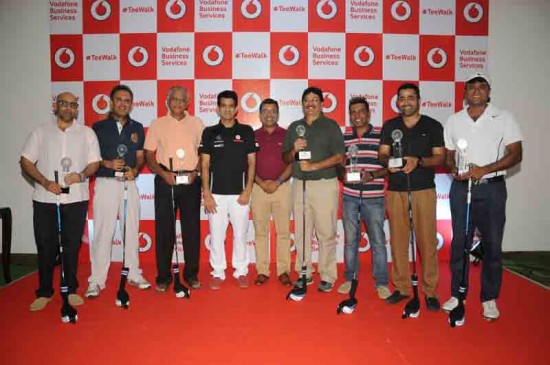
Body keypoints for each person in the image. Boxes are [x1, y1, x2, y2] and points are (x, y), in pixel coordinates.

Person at [443, 73, 523, 320]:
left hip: (491, 188)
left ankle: (489, 298)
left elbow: (516, 154)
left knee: (492, 245)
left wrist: (484, 169)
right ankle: (458, 293)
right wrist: (453, 169)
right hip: (461, 188)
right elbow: (448, 154)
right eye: (471, 88)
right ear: (465, 92)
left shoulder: (504, 117)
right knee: (459, 243)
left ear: (489, 92)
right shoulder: (454, 120)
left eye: (481, 87)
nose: (476, 91)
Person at [20, 92, 101, 311]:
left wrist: (81, 175)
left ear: (77, 109)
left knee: (71, 246)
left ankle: (71, 288)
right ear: (56, 106)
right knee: (46, 245)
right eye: (64, 104)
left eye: (73, 105)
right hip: (45, 199)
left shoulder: (87, 133)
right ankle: (45, 291)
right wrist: (46, 182)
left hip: (76, 198)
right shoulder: (40, 132)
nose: (68, 108)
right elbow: (26, 161)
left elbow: (95, 163)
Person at [379, 83, 445, 310]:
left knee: (427, 241)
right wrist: (388, 163)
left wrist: (419, 161)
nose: (405, 102)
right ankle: (402, 287)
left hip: (423, 189)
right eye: (402, 98)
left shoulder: (432, 125)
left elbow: (440, 158)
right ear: (397, 102)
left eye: (410, 98)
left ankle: (430, 291)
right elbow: (382, 155)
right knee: (398, 240)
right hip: (396, 189)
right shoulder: (390, 126)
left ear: (419, 101)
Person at [85, 84, 150, 298]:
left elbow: (140, 156)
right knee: (103, 232)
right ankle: (96, 280)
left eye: (127, 100)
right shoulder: (98, 127)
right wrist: (108, 163)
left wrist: (135, 170)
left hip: (129, 184)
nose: (123, 103)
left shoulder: (138, 127)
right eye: (119, 99)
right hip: (105, 182)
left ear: (131, 104)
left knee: (131, 230)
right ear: (112, 102)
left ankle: (133, 273)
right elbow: (91, 158)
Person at [283, 87, 345, 292]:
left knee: (326, 232)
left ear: (321, 103)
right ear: (302, 104)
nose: (310, 103)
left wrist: (313, 166)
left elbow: (339, 157)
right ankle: (304, 272)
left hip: (324, 184)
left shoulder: (330, 125)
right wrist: (295, 149)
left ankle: (327, 274)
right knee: (301, 231)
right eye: (306, 100)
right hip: (299, 184)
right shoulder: (294, 127)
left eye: (314, 100)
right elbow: (285, 158)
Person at [145, 86, 204, 292]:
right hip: (165, 180)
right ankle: (163, 276)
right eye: (174, 99)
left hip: (190, 181)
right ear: (167, 101)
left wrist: (196, 173)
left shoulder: (196, 123)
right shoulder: (157, 124)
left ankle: (191, 275)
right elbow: (149, 155)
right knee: (164, 231)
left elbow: (204, 153)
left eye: (182, 100)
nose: (178, 103)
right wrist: (163, 174)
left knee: (191, 230)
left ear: (187, 103)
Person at [199, 90, 258, 290]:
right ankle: (217, 271)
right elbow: (204, 165)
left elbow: (252, 162)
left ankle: (241, 270)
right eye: (223, 105)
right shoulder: (209, 132)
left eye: (230, 106)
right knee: (216, 235)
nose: (226, 109)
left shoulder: (247, 131)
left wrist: (248, 189)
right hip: (215, 195)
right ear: (217, 108)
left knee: (241, 234)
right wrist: (206, 193)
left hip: (240, 194)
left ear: (236, 109)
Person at [338, 96, 390, 299]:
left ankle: (382, 282)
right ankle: (349, 279)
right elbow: (340, 166)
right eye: (353, 112)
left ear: (369, 113)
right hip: (350, 196)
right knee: (350, 241)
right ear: (350, 116)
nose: (357, 115)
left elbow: (390, 166)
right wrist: (342, 173)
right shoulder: (344, 138)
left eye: (361, 111)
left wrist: (373, 175)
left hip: (374, 196)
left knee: (378, 241)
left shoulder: (381, 136)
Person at [251, 98, 292, 286]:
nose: (269, 114)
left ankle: (283, 270)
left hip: (282, 187)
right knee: (261, 232)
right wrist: (261, 183)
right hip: (258, 189)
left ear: (278, 114)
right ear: (259, 114)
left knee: (283, 232)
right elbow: (247, 165)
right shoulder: (251, 135)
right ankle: (262, 271)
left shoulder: (287, 134)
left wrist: (278, 181)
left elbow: (293, 163)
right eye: (265, 111)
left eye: (273, 111)